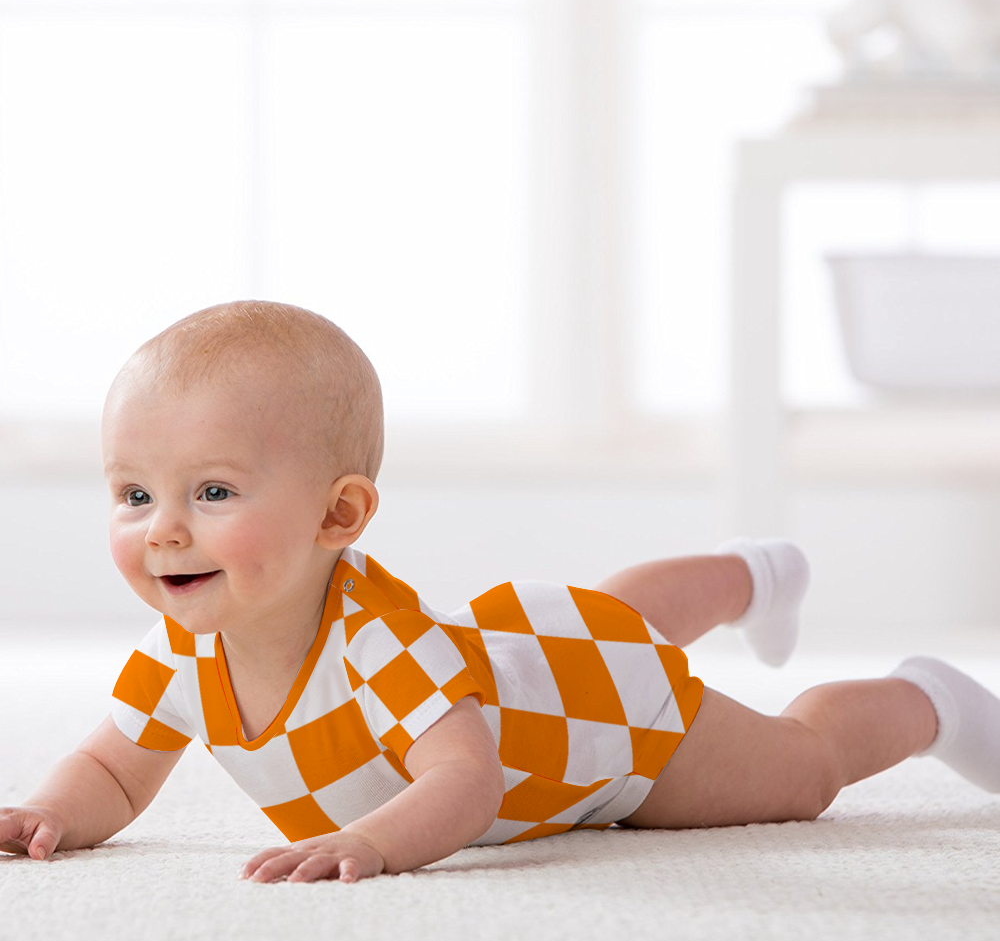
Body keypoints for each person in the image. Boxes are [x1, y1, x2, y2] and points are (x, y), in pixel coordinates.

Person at [2, 300, 999, 886]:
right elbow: (118, 767)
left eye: (211, 491)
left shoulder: (378, 646)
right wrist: (48, 814)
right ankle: (752, 572)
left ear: (339, 517)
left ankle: (926, 699)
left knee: (796, 771)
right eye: (133, 493)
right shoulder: (184, 641)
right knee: (619, 618)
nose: (161, 526)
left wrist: (373, 842)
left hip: (606, 729)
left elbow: (463, 782)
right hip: (533, 645)